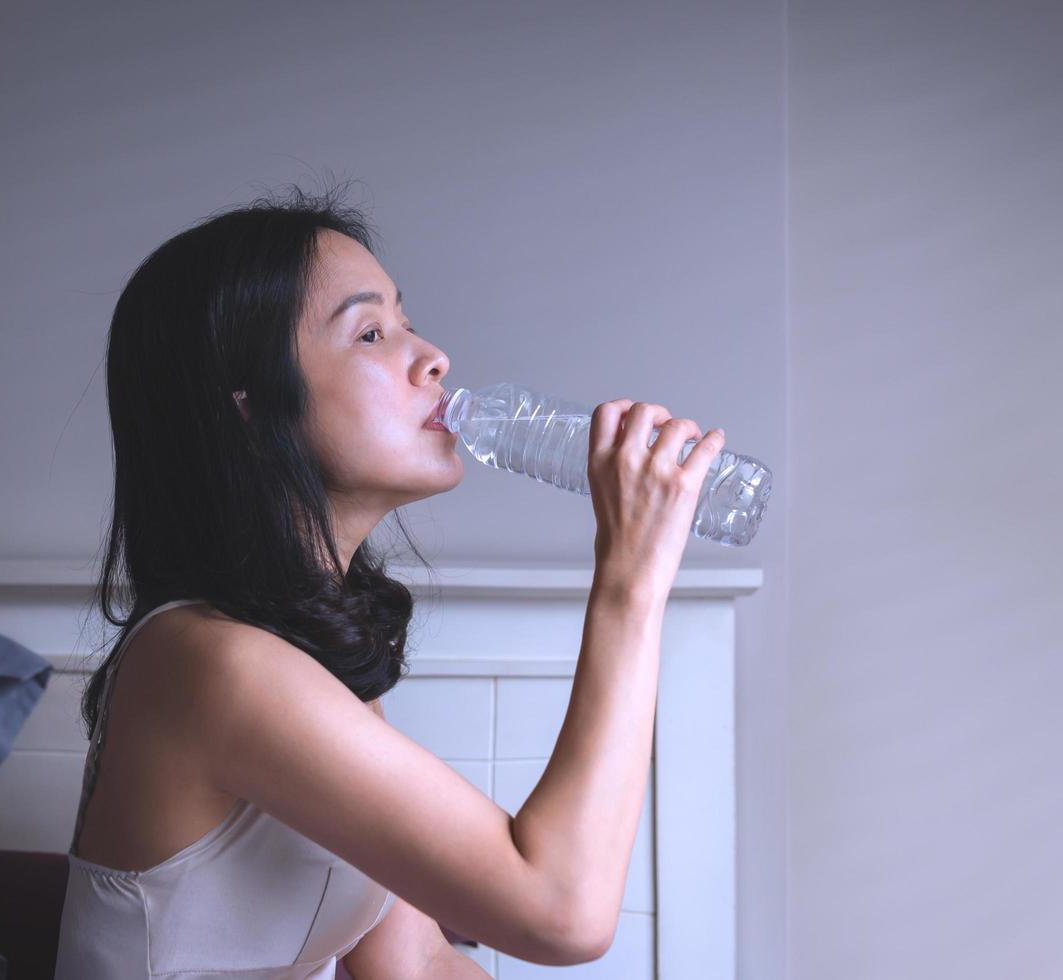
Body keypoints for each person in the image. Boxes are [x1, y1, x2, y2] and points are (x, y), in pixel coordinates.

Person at [54, 183, 726, 979]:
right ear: (250, 407)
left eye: (406, 320)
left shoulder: (310, 656)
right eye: (371, 332)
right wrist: (632, 575)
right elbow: (562, 911)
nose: (432, 356)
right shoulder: (210, 664)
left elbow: (409, 963)